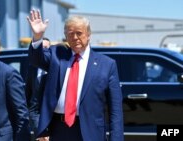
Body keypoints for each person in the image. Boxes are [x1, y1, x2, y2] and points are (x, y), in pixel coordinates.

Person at [27, 10, 124, 141]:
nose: (75, 37)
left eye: (79, 33)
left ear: (89, 34)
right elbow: (36, 60)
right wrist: (37, 37)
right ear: (65, 36)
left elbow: (115, 111)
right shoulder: (57, 54)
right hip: (58, 130)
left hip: (91, 132)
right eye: (70, 34)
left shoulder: (106, 64)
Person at [26, 37, 50, 141]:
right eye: (41, 48)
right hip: (39, 123)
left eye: (46, 48)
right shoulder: (32, 68)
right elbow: (31, 101)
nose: (43, 51)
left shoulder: (57, 67)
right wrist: (40, 131)